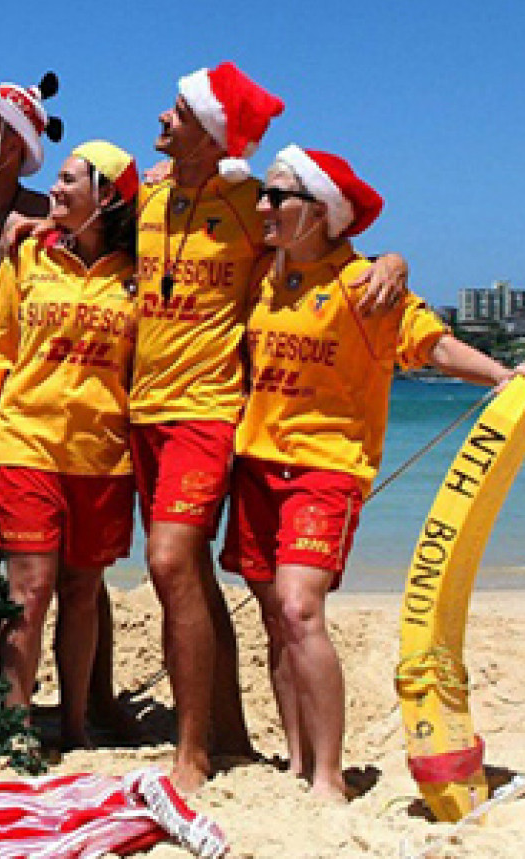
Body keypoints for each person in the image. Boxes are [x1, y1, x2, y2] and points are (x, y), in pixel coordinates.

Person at [224, 146, 525, 800]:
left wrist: (506, 375)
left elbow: (432, 345)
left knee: (299, 607)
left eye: (277, 196)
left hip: (328, 467)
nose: (262, 205)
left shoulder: (368, 286)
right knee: (272, 616)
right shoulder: (265, 273)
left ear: (319, 213)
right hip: (256, 463)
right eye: (262, 193)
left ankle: (329, 774)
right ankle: (296, 759)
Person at [130, 62, 414, 790]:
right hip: (144, 407)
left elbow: (321, 243)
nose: (161, 119)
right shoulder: (150, 191)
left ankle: (192, 752)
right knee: (191, 572)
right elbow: (87, 222)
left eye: (176, 109)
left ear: (207, 129)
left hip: (212, 408)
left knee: (168, 562)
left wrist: (393, 258)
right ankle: (227, 732)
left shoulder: (250, 199)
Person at [0, 79, 135, 743]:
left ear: (14, 143)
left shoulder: (45, 227)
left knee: (76, 583)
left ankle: (90, 708)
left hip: (70, 435)